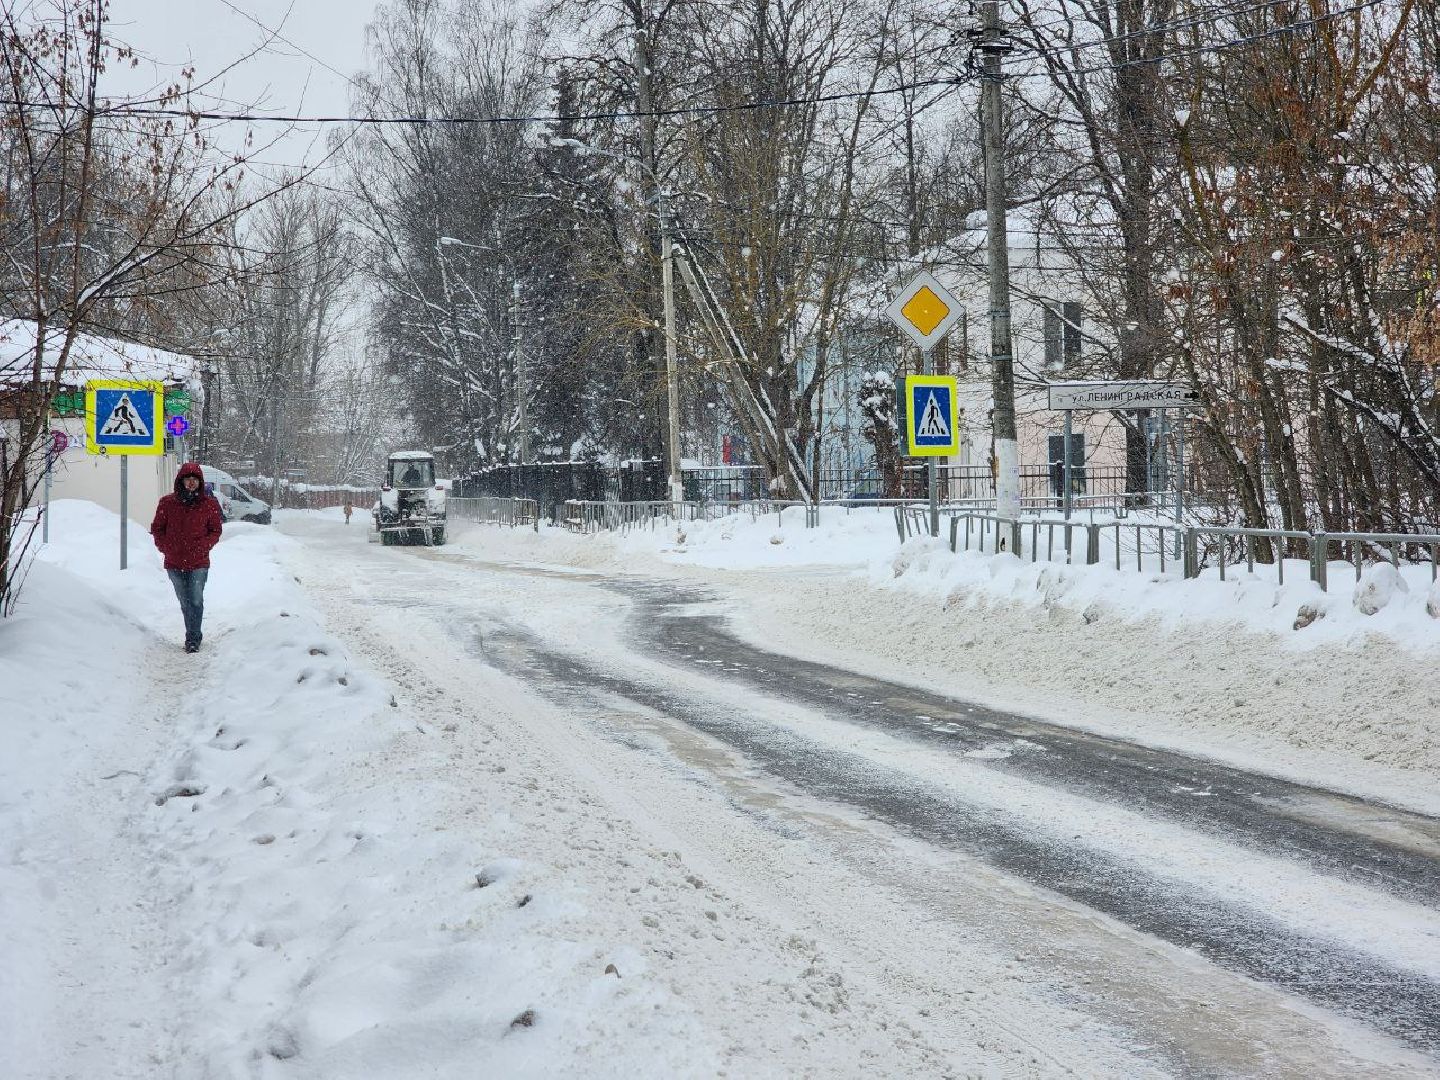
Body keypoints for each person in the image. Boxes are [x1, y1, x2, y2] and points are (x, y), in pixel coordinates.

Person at [150, 462, 223, 653]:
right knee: (185, 601)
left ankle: (193, 638)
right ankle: (191, 631)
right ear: (180, 481)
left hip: (199, 562)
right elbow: (157, 529)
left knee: (196, 599)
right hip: (174, 562)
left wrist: (204, 546)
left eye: (195, 480)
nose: (191, 483)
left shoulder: (209, 504)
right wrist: (165, 547)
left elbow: (215, 530)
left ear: (200, 482)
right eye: (187, 479)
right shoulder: (167, 503)